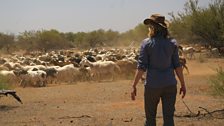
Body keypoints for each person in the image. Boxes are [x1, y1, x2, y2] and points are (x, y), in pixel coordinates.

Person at [131, 14, 186, 126]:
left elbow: (141, 67)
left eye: (150, 26)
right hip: (170, 84)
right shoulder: (172, 43)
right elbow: (177, 66)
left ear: (152, 27)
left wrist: (134, 85)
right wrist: (183, 84)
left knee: (150, 119)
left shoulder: (146, 43)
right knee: (169, 118)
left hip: (152, 85)